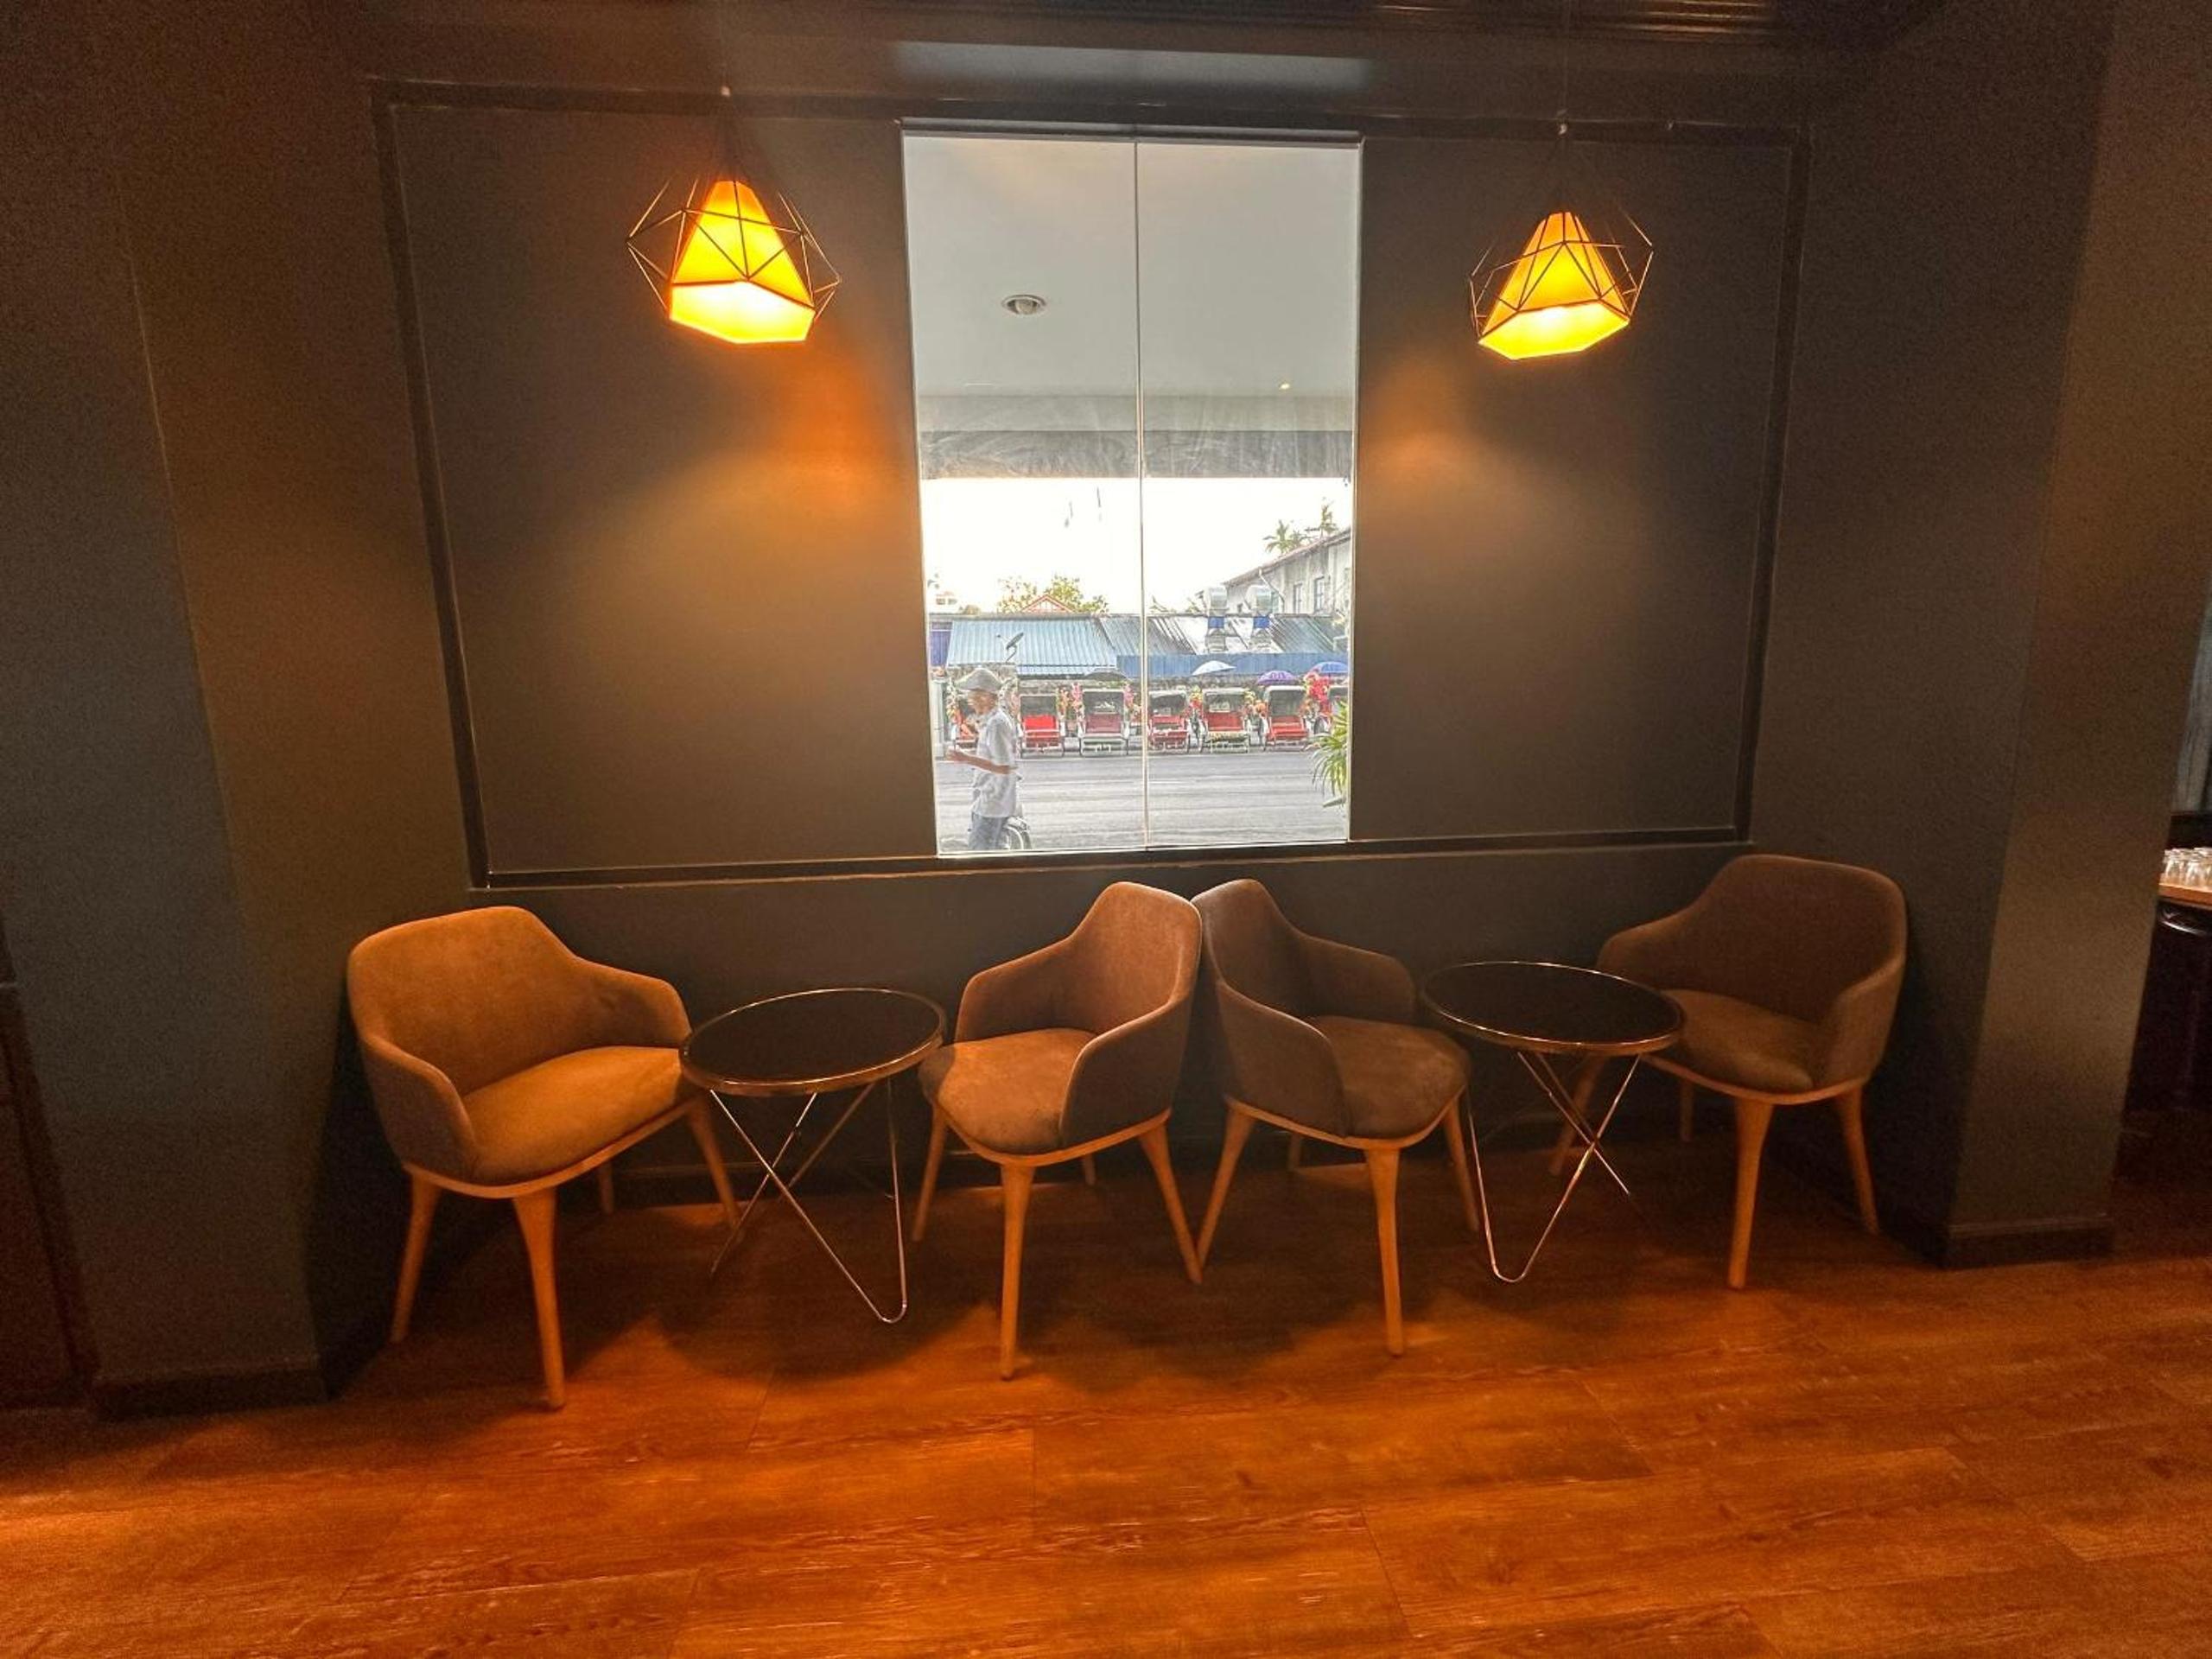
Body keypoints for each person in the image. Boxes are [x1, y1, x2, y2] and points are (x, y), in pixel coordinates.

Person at [945, 667, 1021, 850]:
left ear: (986, 697)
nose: (970, 700)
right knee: (996, 852)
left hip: (993, 802)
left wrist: (965, 758)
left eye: (973, 695)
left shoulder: (996, 724)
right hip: (993, 800)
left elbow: (1003, 766)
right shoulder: (992, 721)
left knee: (980, 853)